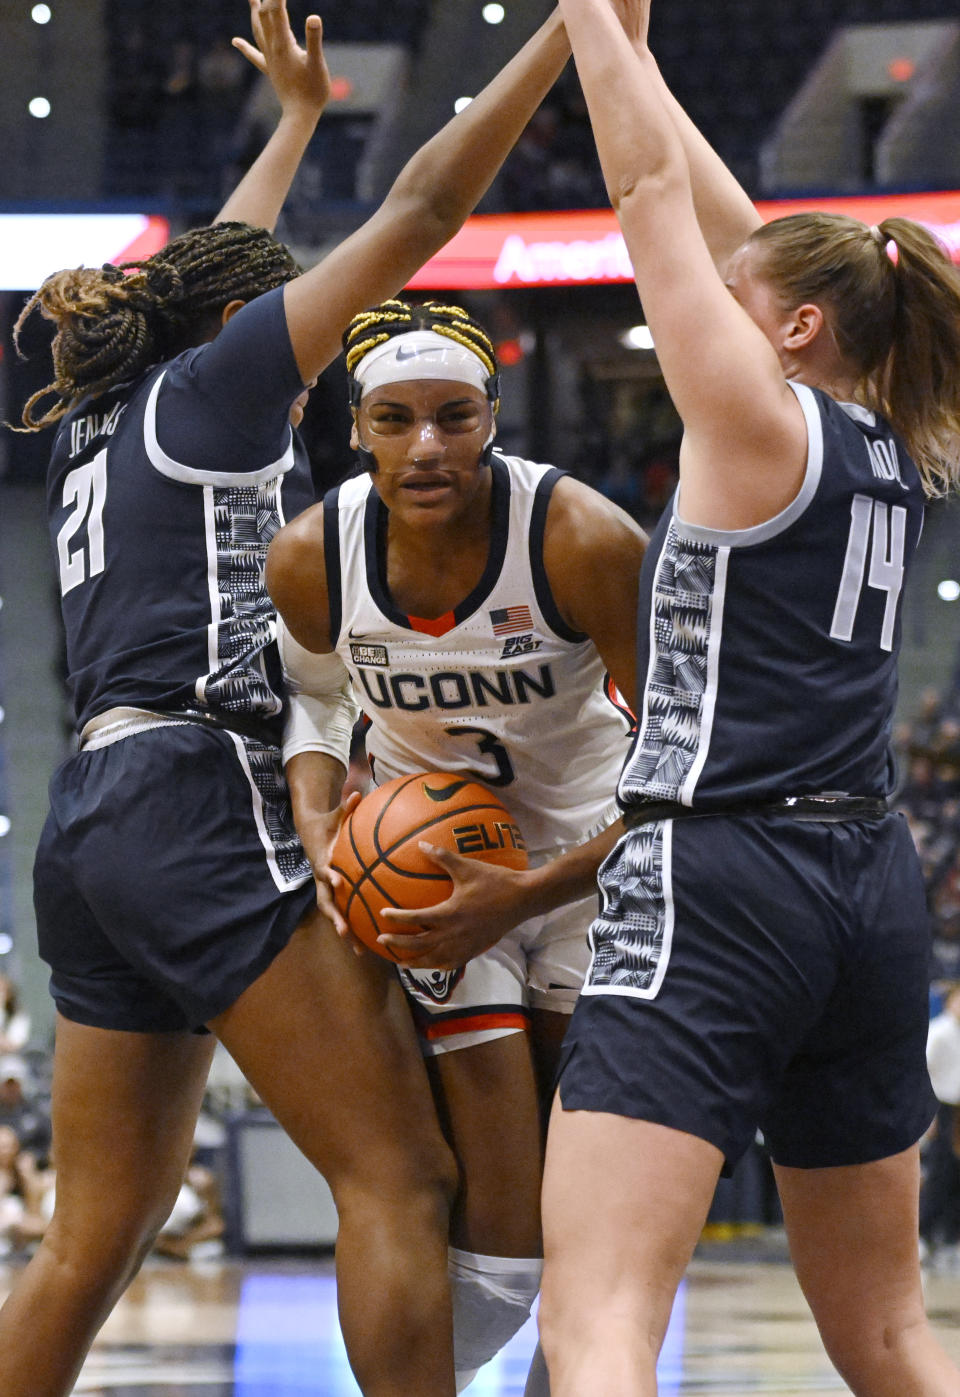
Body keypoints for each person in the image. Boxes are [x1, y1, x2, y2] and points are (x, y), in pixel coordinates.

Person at [0, 2, 573, 1393]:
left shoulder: (116, 405)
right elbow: (429, 203)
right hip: (199, 784)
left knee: (95, 1230)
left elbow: (219, 255)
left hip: (90, 812)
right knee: (396, 1172)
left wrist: (298, 119)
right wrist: (573, 32)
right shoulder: (214, 389)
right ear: (242, 325)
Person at [535, 0, 960, 1393]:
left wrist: (588, 17)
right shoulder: (890, 440)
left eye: (739, 296)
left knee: (596, 1314)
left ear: (793, 325)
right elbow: (728, 227)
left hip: (724, 867)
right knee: (891, 1333)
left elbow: (649, 188)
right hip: (868, 883)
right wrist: (638, 57)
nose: (710, 299)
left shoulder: (757, 420)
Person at [265, 296, 645, 1392]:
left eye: (452, 416)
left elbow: (685, 755)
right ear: (355, 427)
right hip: (430, 867)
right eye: (394, 418)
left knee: (589, 1217)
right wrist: (315, 805)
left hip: (588, 861)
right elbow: (320, 697)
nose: (425, 445)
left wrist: (528, 892)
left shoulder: (580, 538)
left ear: (492, 417)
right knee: (506, 1237)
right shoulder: (312, 553)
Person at [921, 985, 960, 1266]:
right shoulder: (939, 1032)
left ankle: (952, 1238)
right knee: (939, 1174)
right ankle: (922, 1235)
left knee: (956, 1176)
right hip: (941, 1108)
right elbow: (923, 1072)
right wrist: (929, 1116)